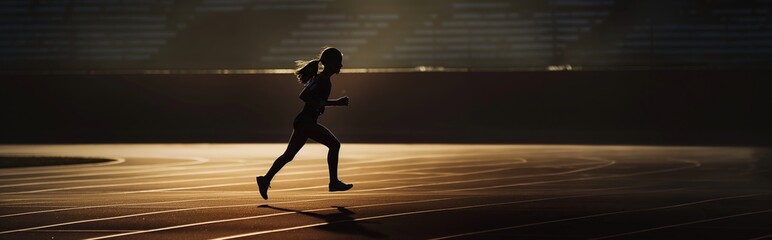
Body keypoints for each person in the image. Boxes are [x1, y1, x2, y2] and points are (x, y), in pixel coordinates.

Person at [256, 47, 353, 200]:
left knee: (288, 155)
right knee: (334, 145)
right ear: (331, 63)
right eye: (339, 62)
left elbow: (314, 99)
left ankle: (265, 179)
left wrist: (326, 104)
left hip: (305, 122)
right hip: (306, 122)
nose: (341, 66)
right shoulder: (322, 79)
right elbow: (303, 95)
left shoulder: (324, 79)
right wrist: (335, 103)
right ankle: (333, 182)